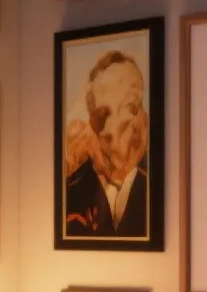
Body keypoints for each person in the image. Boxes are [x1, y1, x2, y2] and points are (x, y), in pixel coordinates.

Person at [63, 51, 150, 238]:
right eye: (101, 116)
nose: (109, 130)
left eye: (127, 108)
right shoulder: (72, 192)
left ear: (142, 117)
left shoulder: (161, 186)